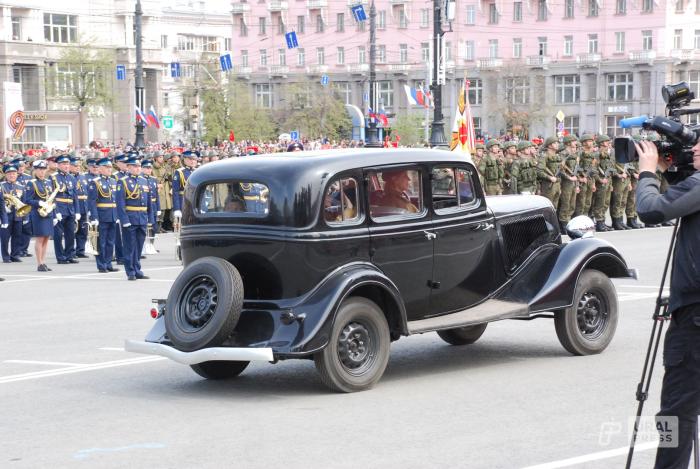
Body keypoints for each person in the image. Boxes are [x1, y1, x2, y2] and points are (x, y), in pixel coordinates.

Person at [634, 138, 700, 469]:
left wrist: (647, 172)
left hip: (694, 321)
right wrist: (672, 172)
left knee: (674, 415)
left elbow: (651, 209)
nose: (697, 149)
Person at [115, 157, 154, 280]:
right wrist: (124, 220)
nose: (137, 169)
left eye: (138, 166)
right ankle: (130, 271)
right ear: (128, 168)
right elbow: (120, 203)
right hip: (130, 218)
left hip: (142, 217)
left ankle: (137, 269)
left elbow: (148, 203)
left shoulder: (143, 181)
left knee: (139, 245)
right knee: (129, 246)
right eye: (134, 166)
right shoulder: (123, 181)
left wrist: (150, 218)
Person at [87, 157, 120, 273]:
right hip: (101, 216)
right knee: (101, 242)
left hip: (112, 215)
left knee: (111, 241)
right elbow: (91, 202)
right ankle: (101, 265)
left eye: (110, 167)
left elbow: (116, 200)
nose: (109, 169)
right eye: (106, 167)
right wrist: (94, 217)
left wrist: (117, 216)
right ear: (100, 169)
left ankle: (108, 263)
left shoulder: (113, 181)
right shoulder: (95, 183)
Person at [23, 160, 55, 272]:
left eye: (43, 169)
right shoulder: (31, 183)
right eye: (39, 169)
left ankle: (43, 261)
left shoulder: (48, 182)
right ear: (35, 170)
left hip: (48, 213)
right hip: (38, 214)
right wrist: (39, 203)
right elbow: (27, 200)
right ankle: (39, 263)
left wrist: (53, 212)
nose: (41, 172)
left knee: (46, 238)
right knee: (40, 238)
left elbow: (51, 198)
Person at [1, 164, 25, 263]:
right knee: (5, 237)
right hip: (5, 215)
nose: (12, 175)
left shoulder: (20, 186)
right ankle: (6, 256)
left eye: (14, 173)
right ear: (6, 175)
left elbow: (24, 202)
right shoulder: (1, 186)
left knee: (17, 236)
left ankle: (15, 255)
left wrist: (25, 216)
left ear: (17, 174)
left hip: (18, 215)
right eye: (9, 173)